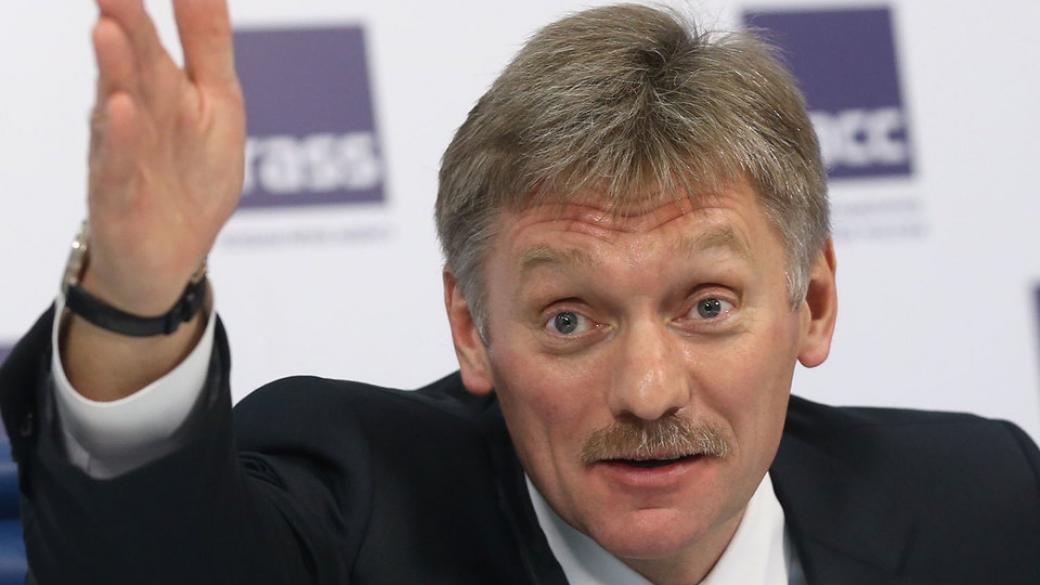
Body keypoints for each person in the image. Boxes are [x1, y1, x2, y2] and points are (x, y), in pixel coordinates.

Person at [1, 1, 1038, 583]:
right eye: (569, 319)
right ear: (471, 326)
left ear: (811, 303)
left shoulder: (981, 507)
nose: (646, 390)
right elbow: (153, 560)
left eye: (707, 307)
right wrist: (136, 299)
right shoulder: (359, 510)